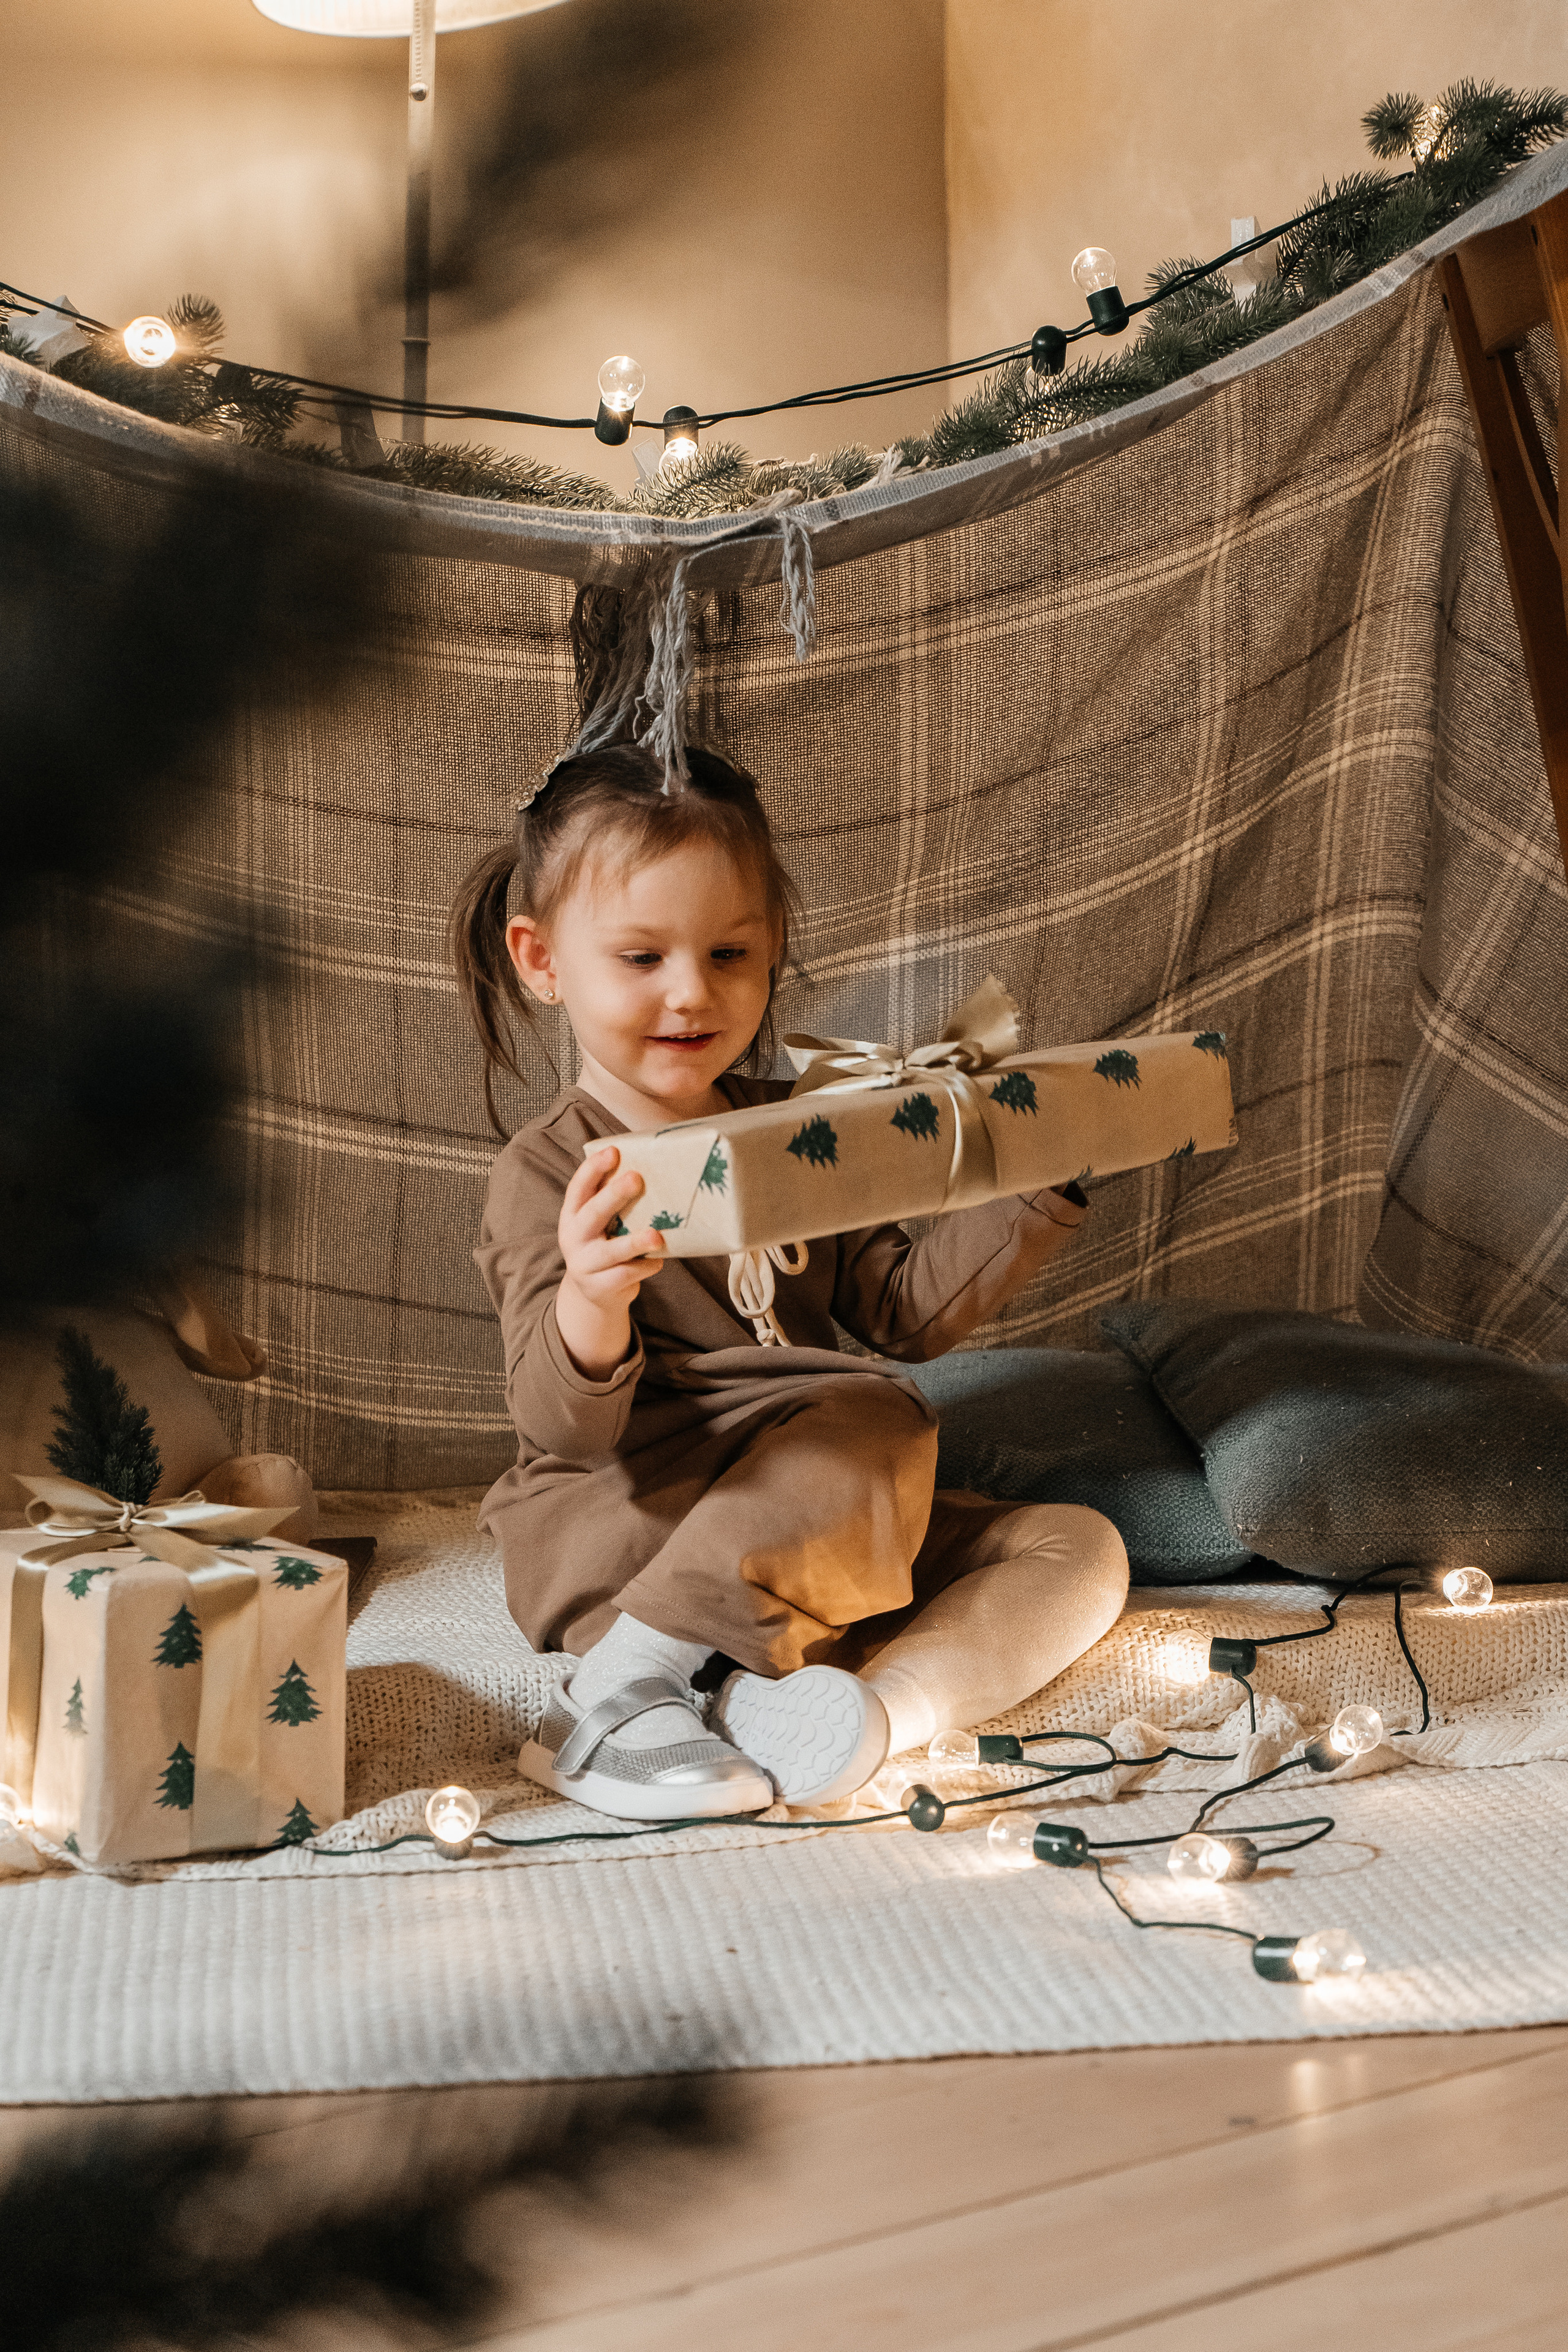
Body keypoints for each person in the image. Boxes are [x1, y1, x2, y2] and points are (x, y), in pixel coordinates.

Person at [450, 742, 1128, 1822]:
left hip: (814, 1528)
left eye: (730, 953)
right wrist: (592, 1298)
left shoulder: (797, 1126)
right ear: (541, 960)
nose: (692, 993)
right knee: (870, 1421)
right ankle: (624, 1686)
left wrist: (1040, 1179)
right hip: (639, 1527)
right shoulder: (549, 1171)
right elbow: (560, 1432)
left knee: (1077, 1546)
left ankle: (863, 1714)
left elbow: (899, 1314)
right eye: (641, 958)